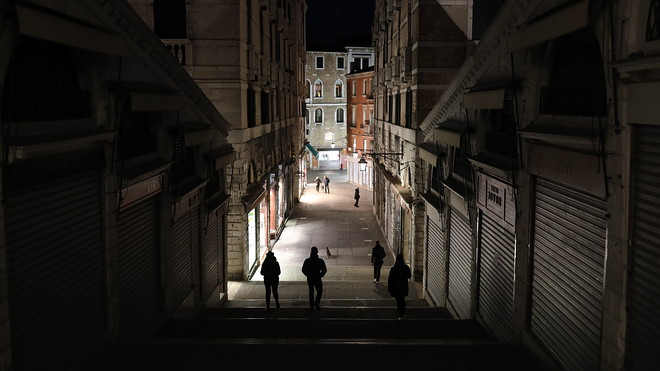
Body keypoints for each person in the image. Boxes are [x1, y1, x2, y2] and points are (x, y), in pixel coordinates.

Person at [388, 253, 412, 319]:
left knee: (398, 300)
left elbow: (390, 279)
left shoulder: (393, 269)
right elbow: (409, 275)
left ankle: (401, 313)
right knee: (402, 299)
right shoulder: (405, 268)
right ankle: (403, 312)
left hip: (396, 287)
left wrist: (390, 288)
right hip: (403, 287)